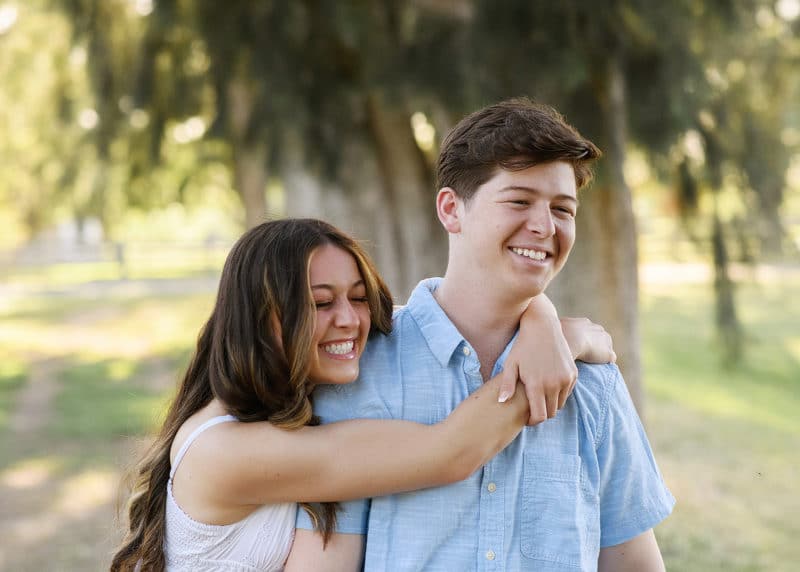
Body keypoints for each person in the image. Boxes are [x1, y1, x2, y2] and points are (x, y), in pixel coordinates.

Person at [292, 99, 675, 572]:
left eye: (563, 209)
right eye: (519, 201)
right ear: (452, 210)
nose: (544, 226)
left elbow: (633, 562)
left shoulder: (595, 387)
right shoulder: (363, 370)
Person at [109, 218, 615, 571]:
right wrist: (563, 345)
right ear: (260, 316)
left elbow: (450, 314)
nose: (349, 320)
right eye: (320, 302)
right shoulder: (224, 451)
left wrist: (538, 313)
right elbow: (452, 451)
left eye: (357, 297)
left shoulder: (283, 411)